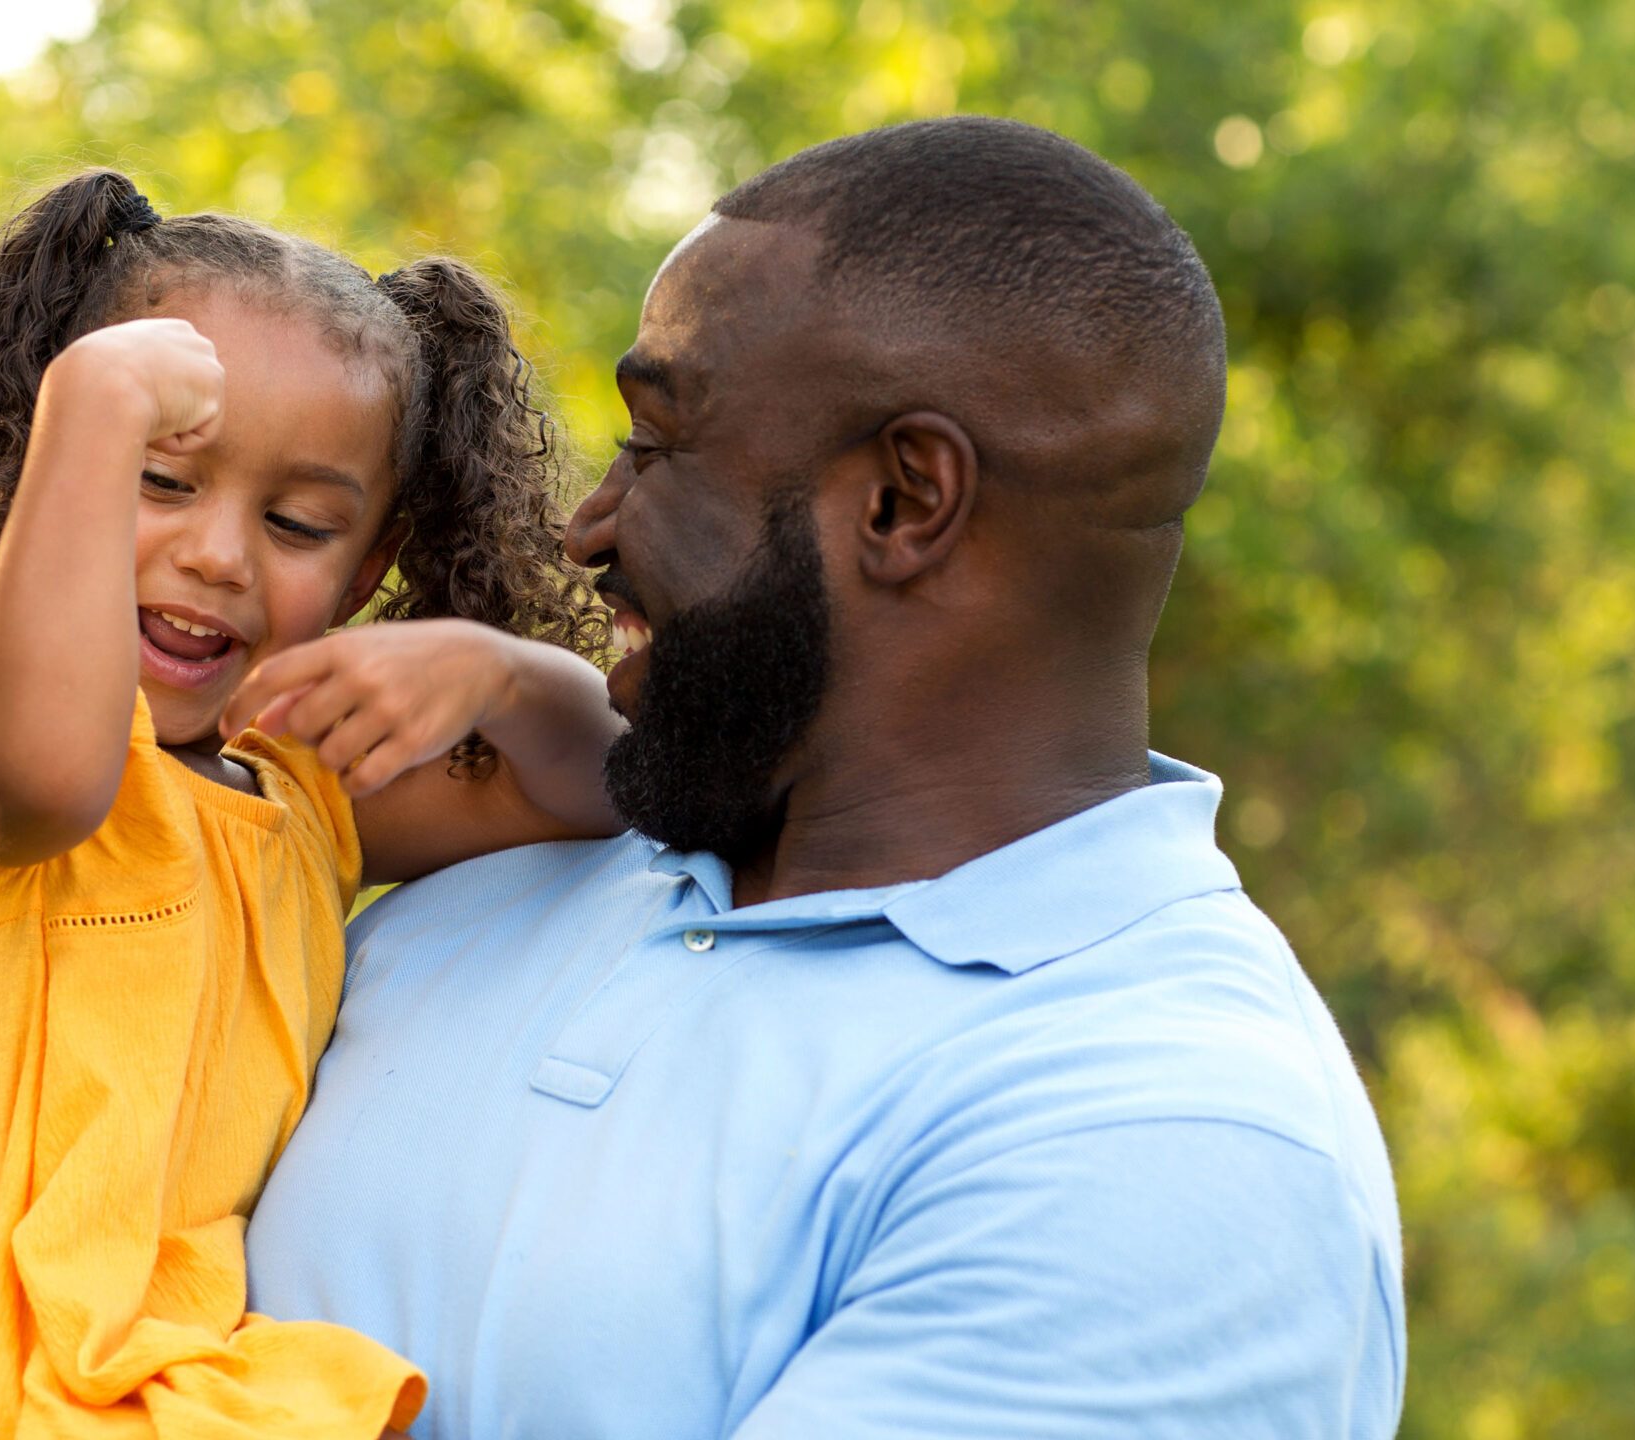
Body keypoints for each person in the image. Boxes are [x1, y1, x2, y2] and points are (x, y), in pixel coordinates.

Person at [246, 117, 1406, 1438]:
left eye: (659, 442)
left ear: (904, 504)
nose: (588, 526)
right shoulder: (496, 873)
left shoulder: (1165, 1134)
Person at [0, 168, 624, 1439]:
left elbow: (598, 787)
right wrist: (92, 412)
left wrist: (506, 674)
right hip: (19, 1402)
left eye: (297, 524)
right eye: (160, 482)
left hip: (198, 1395)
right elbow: (52, 781)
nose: (219, 555)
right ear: (47, 478)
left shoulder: (295, 789)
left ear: (367, 569)